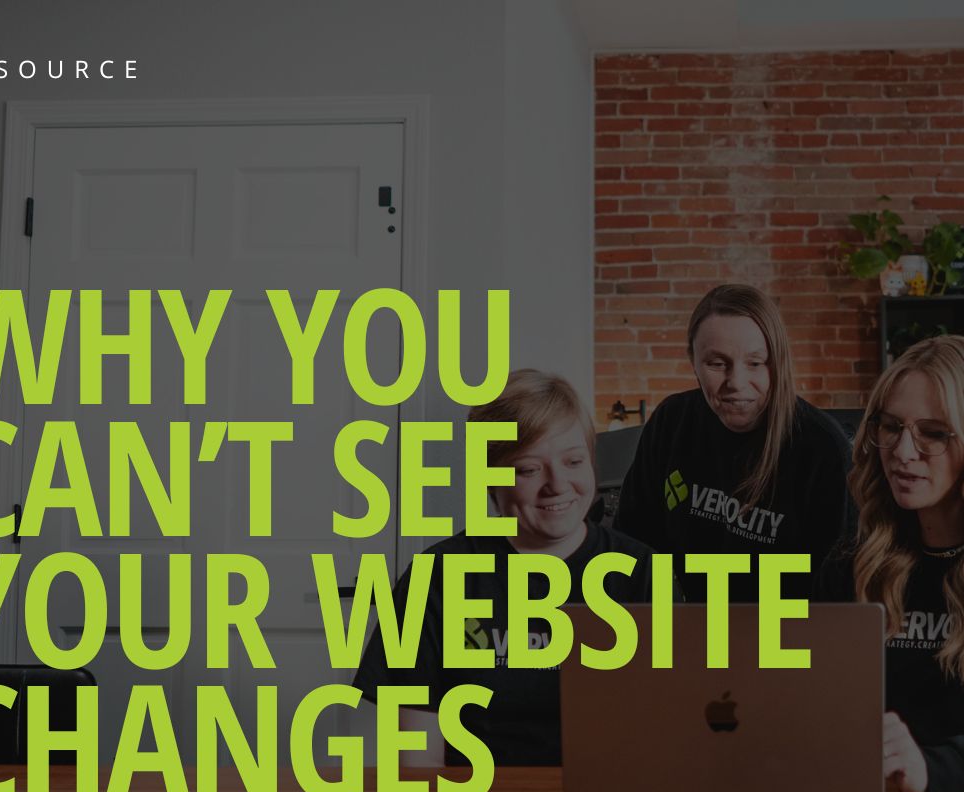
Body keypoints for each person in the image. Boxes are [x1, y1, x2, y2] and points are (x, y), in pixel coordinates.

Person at [353, 369, 657, 766]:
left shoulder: (641, 572)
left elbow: (664, 737)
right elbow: (417, 764)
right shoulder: (436, 577)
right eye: (528, 470)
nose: (558, 485)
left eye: (573, 461)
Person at [613, 283, 852, 601]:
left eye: (755, 363)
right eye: (717, 364)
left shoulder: (823, 448)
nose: (736, 383)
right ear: (693, 362)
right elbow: (631, 544)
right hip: (686, 630)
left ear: (777, 363)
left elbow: (836, 594)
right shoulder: (672, 422)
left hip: (786, 637)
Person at [818, 336, 964, 792]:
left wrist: (930, 768)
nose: (903, 452)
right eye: (891, 426)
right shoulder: (852, 564)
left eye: (933, 432)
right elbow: (809, 700)